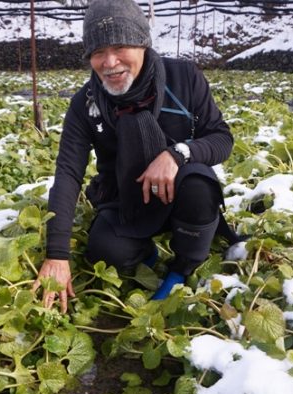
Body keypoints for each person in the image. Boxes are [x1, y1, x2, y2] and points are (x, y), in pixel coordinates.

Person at [33, 0, 237, 312]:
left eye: (120, 46)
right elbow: (68, 174)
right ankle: (144, 253)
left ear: (142, 43)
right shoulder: (85, 104)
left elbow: (221, 138)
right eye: (98, 52)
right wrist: (57, 253)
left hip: (179, 188)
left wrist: (178, 153)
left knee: (199, 187)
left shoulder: (183, 78)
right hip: (124, 197)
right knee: (104, 251)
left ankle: (181, 268)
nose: (109, 62)